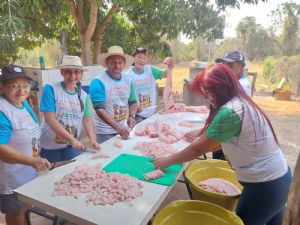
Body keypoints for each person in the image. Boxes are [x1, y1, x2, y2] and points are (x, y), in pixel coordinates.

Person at [154, 64, 292, 225]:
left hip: (264, 186)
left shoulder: (230, 111)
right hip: (280, 179)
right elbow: (219, 141)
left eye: (208, 91)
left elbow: (200, 148)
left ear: (222, 86)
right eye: (204, 93)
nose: (206, 97)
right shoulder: (240, 103)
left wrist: (168, 160)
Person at [0, 64, 51, 225]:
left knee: (26, 208)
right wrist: (33, 161)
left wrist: (37, 158)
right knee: (15, 214)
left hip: (30, 171)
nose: (21, 90)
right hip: (12, 176)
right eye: (14, 86)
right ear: (2, 86)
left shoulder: (24, 103)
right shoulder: (3, 109)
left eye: (25, 85)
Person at [185, 50, 252, 160]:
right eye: (223, 65)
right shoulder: (235, 84)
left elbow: (200, 149)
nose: (225, 70)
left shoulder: (239, 87)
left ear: (242, 66)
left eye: (230, 65)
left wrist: (168, 161)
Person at [39, 55, 100, 163]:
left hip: (71, 146)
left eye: (77, 72)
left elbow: (87, 119)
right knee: (52, 177)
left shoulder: (83, 95)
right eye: (68, 71)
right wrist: (72, 140)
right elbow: (50, 120)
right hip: (50, 146)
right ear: (62, 72)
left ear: (81, 74)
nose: (72, 76)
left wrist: (93, 140)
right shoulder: (51, 90)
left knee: (73, 174)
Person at [90, 46, 138, 143]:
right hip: (105, 132)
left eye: (120, 63)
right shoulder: (98, 82)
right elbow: (99, 110)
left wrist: (132, 116)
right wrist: (117, 127)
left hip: (124, 128)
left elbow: (133, 102)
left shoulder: (128, 81)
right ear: (107, 62)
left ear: (124, 64)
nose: (117, 65)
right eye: (113, 62)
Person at [124, 47, 174, 122]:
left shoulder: (150, 70)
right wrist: (134, 106)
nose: (142, 60)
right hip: (138, 114)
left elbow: (165, 74)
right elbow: (124, 94)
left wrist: (170, 66)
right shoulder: (127, 75)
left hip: (151, 113)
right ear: (133, 58)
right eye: (139, 57)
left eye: (144, 58)